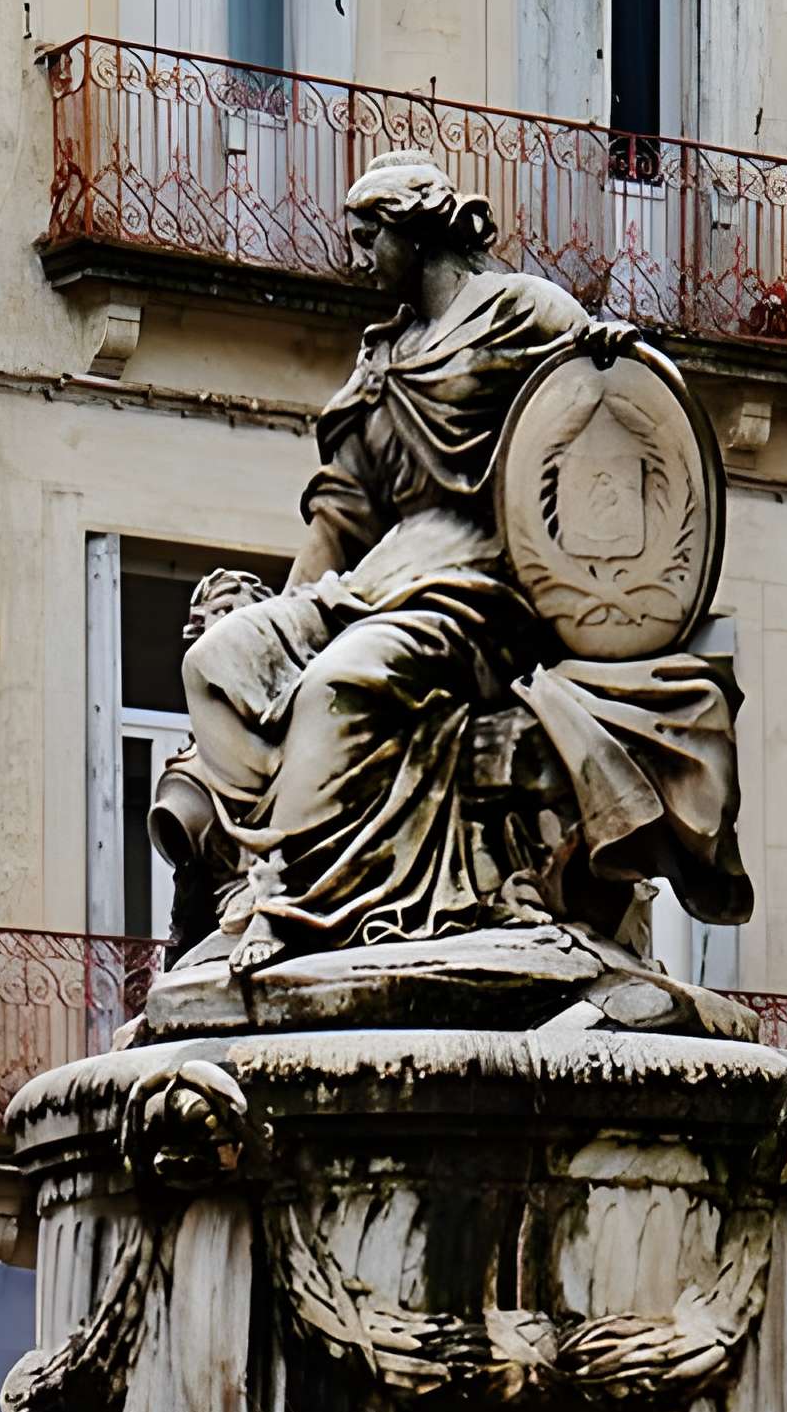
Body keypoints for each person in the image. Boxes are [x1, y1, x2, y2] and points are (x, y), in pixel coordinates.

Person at [154, 151, 746, 978]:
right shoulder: (380, 359)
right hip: (377, 579)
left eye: (370, 239)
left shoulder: (518, 311)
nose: (359, 260)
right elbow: (341, 516)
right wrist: (276, 629)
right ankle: (271, 862)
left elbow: (613, 395)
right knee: (219, 661)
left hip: (478, 585)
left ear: (415, 232)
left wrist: (613, 350)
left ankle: (294, 893)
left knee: (338, 687)